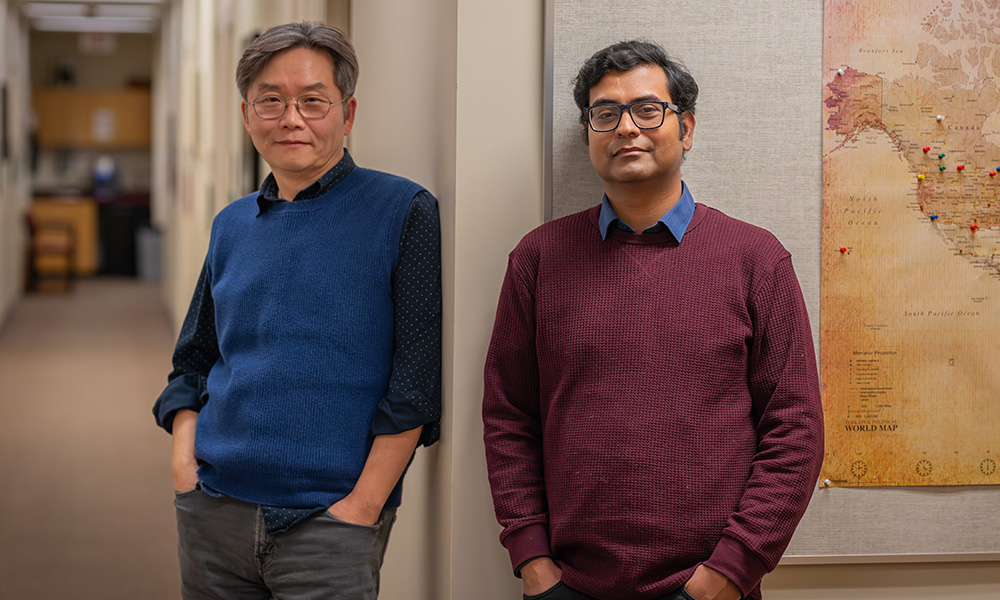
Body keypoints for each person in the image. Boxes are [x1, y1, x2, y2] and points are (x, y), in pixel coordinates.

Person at [482, 40, 823, 600]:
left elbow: (796, 430)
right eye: (606, 114)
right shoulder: (538, 259)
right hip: (569, 586)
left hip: (710, 588)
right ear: (590, 131)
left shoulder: (755, 258)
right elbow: (508, 417)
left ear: (685, 128)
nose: (626, 128)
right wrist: (533, 562)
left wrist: (729, 573)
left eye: (647, 109)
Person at [153, 22, 441, 600]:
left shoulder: (402, 210)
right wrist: (185, 469)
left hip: (330, 526)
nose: (291, 119)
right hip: (214, 508)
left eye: (313, 101)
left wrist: (362, 506)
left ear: (348, 112)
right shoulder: (231, 224)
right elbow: (194, 358)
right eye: (271, 101)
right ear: (246, 114)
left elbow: (414, 383)